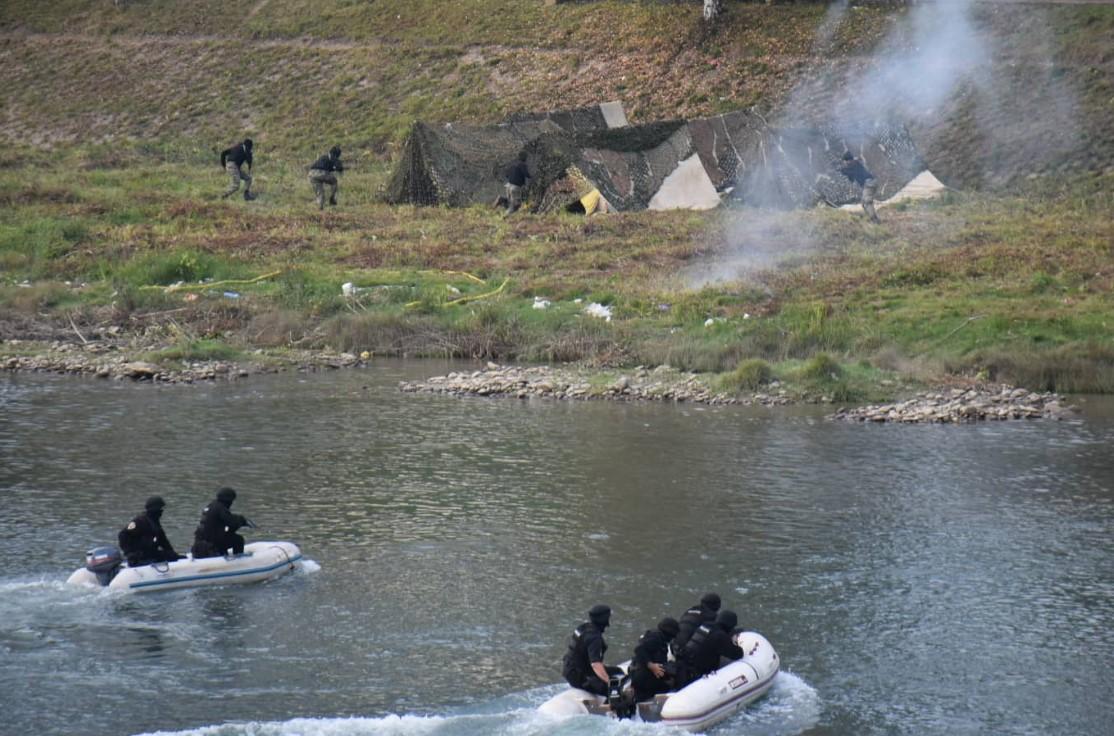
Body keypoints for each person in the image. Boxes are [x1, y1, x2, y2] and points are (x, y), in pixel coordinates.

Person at [675, 609, 743, 688]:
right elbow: (737, 654)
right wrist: (734, 641)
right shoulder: (720, 636)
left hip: (684, 667)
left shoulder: (704, 625)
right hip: (699, 674)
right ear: (730, 626)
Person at [562, 604, 619, 696]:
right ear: (604, 619)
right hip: (579, 676)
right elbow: (595, 664)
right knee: (612, 689)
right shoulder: (594, 638)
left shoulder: (583, 628)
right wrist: (609, 682)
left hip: (570, 668)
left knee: (618, 671)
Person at [117, 496, 184, 567]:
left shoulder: (155, 522)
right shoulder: (139, 521)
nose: (162, 511)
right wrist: (130, 553)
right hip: (140, 556)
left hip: (151, 553)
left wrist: (172, 553)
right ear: (155, 508)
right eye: (160, 508)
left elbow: (163, 540)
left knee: (171, 556)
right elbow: (123, 534)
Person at [629, 616, 680, 702]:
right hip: (643, 675)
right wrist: (651, 665)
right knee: (669, 684)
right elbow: (639, 649)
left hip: (643, 674)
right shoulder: (655, 637)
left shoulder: (657, 637)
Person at [191, 487, 252, 558]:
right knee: (238, 539)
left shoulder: (211, 506)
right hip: (210, 546)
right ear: (229, 500)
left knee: (224, 536)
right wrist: (241, 521)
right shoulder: (221, 509)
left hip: (199, 545)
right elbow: (232, 523)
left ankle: (222, 552)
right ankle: (238, 561)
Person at [837, 151, 880, 223]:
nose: (845, 163)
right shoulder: (853, 165)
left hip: (869, 183)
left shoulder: (854, 164)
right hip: (869, 183)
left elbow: (850, 170)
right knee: (864, 203)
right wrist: (844, 171)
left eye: (845, 161)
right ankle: (871, 217)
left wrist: (842, 170)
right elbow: (852, 179)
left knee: (867, 201)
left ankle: (875, 220)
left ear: (848, 160)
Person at [308, 145, 344, 210]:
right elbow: (339, 168)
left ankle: (320, 208)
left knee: (320, 193)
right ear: (337, 154)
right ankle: (332, 198)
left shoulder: (323, 157)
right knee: (334, 182)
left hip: (311, 174)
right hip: (321, 173)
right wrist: (339, 168)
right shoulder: (334, 157)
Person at [502, 151, 531, 215]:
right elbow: (527, 175)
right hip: (515, 187)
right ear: (524, 158)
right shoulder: (522, 164)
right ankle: (505, 217)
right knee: (516, 205)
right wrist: (533, 176)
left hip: (508, 186)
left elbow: (506, 175)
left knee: (510, 203)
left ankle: (501, 203)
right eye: (526, 157)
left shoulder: (512, 164)